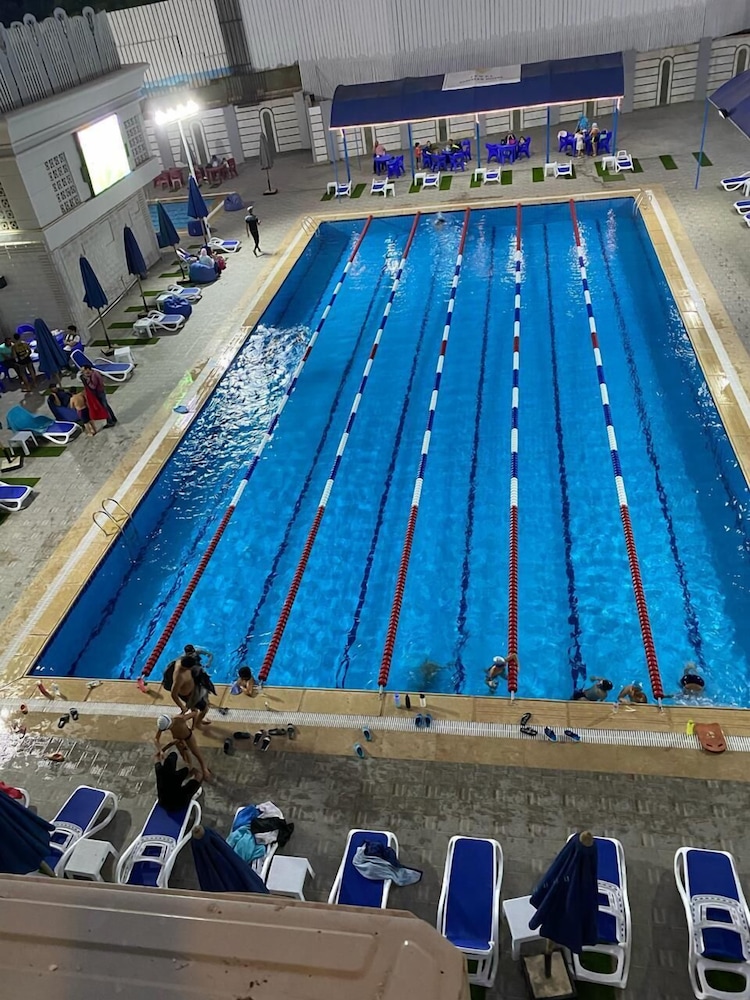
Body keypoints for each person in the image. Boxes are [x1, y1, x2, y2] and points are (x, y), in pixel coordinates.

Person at [155, 713, 211, 781]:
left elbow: (194, 714)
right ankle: (190, 768)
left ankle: (204, 769)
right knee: (185, 755)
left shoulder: (180, 719)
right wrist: (160, 751)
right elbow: (156, 739)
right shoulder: (163, 724)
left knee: (196, 752)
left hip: (188, 736)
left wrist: (193, 726)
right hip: (178, 740)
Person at [80, 362, 117, 428]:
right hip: (101, 391)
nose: (83, 373)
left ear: (88, 369)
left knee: (104, 407)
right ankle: (113, 419)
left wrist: (87, 380)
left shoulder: (94, 375)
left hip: (99, 393)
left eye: (83, 371)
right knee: (106, 406)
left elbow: (93, 386)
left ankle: (110, 421)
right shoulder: (94, 373)